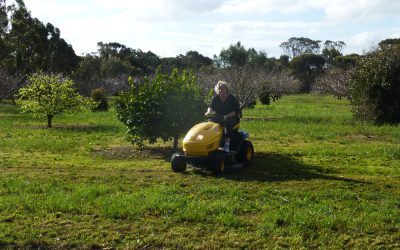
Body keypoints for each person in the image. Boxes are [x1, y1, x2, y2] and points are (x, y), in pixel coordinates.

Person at [205, 81, 240, 152]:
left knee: (228, 123)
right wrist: (209, 112)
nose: (221, 90)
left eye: (222, 89)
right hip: (219, 118)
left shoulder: (232, 98)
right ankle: (208, 142)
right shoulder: (215, 98)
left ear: (226, 89)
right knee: (208, 125)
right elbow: (211, 107)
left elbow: (235, 112)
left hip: (232, 118)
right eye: (219, 89)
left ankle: (227, 143)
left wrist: (226, 116)